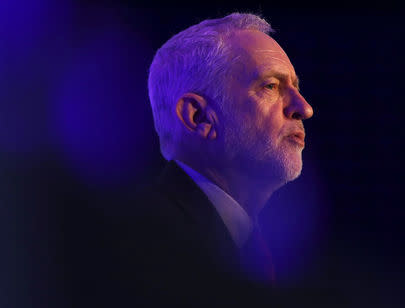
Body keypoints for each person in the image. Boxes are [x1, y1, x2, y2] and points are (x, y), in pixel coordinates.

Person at [68, 12, 322, 308]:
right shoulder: (139, 245)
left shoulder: (283, 251)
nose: (304, 108)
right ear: (198, 117)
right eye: (271, 86)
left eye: (296, 88)